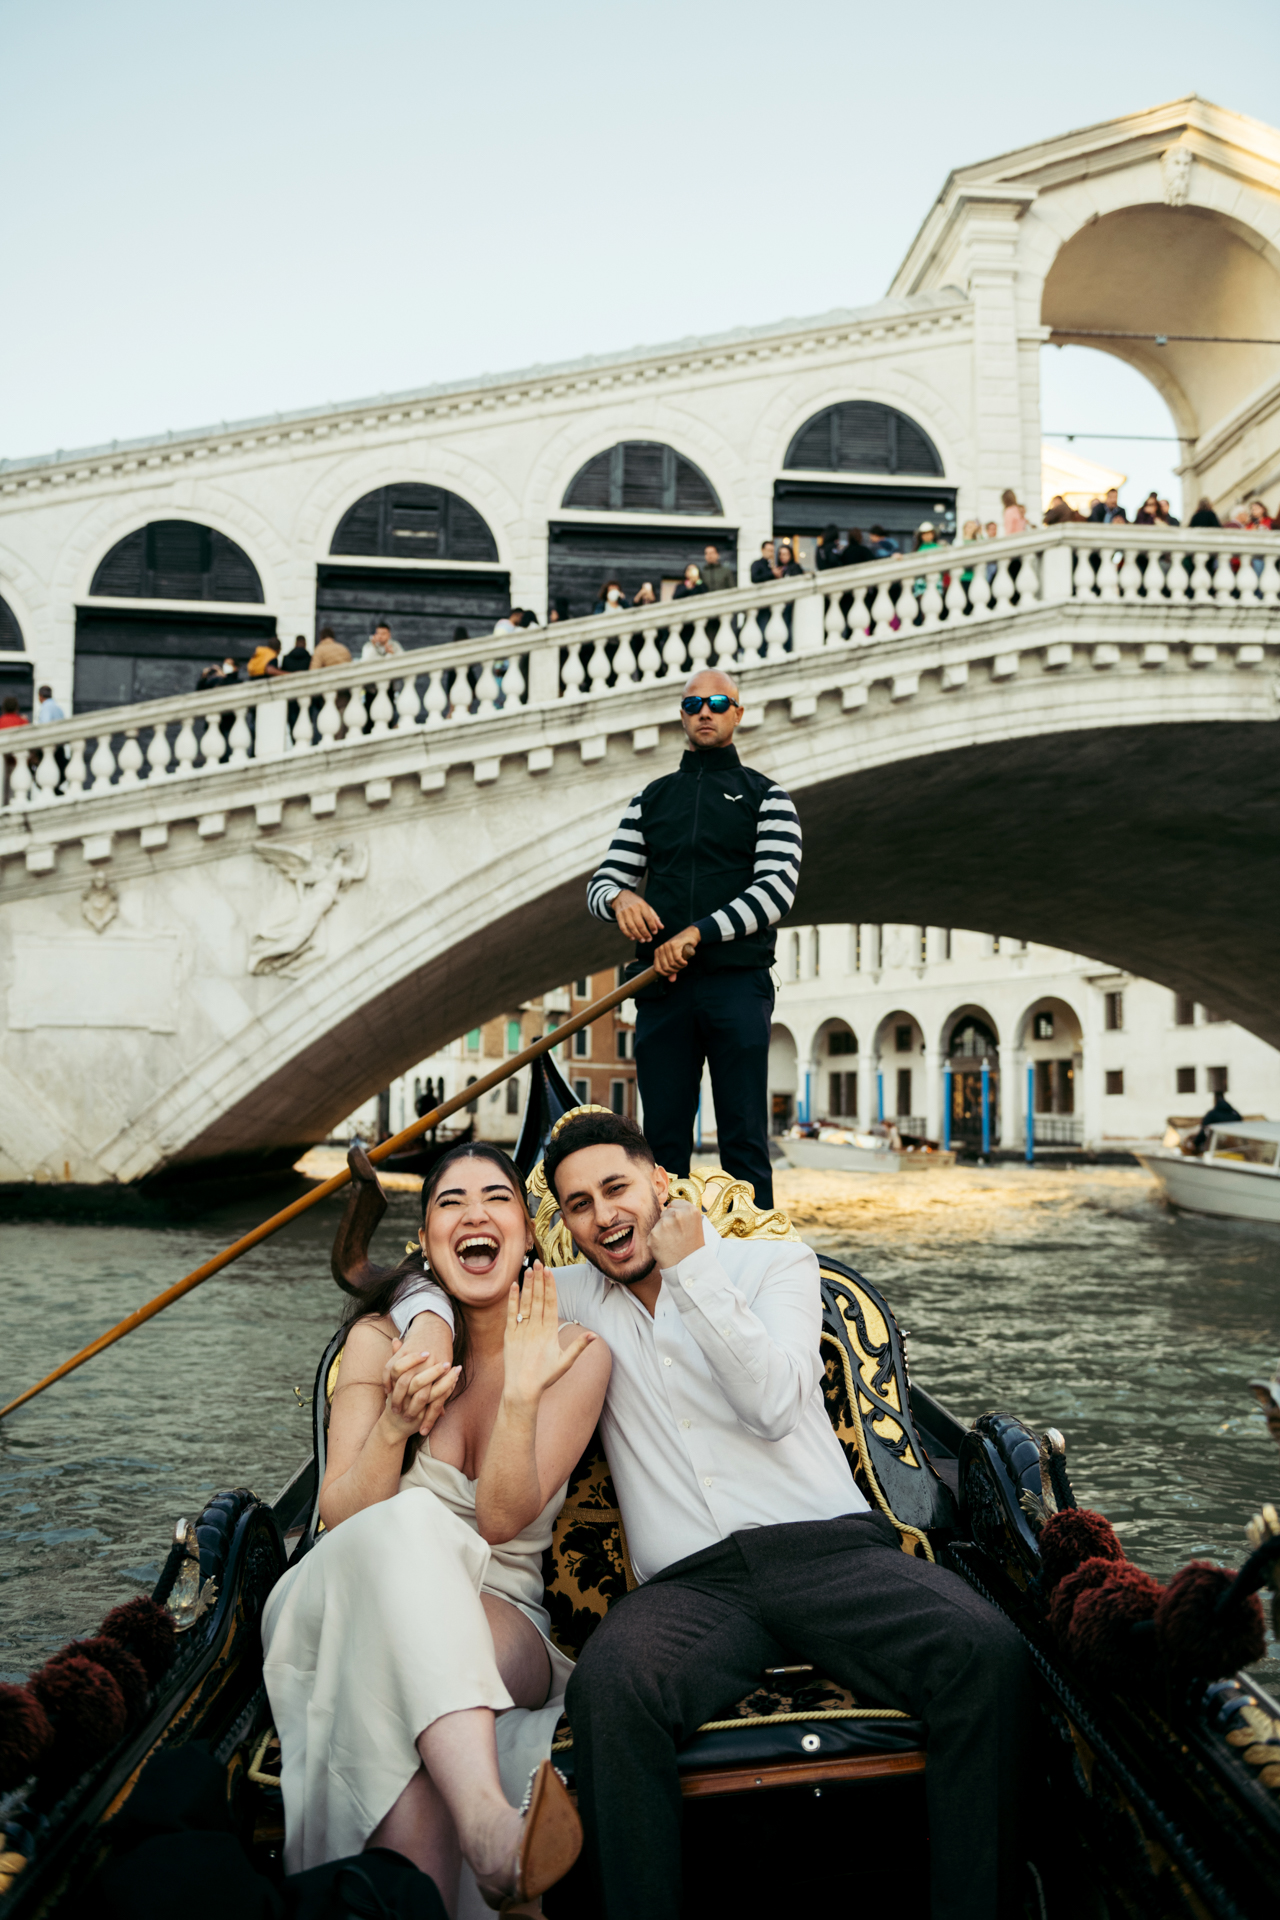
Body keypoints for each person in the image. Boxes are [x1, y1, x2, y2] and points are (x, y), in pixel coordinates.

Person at [390, 1112, 1033, 1920]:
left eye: (617, 1188)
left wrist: (692, 1274)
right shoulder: (572, 1297)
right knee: (613, 1688)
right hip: (693, 1591)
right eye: (579, 1205)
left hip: (831, 1555)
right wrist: (421, 1317)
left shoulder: (775, 1266)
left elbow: (771, 1405)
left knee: (989, 1654)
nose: (604, 1216)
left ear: (661, 1182)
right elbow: (455, 1279)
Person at [262, 1141, 610, 1913]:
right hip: (344, 1591)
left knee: (400, 1688)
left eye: (497, 1199)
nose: (475, 1214)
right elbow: (342, 1516)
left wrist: (519, 1393)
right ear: (425, 1242)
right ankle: (489, 1826)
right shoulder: (381, 1343)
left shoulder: (578, 1356)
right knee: (408, 1522)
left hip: (502, 1612)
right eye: (451, 1202)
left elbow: (500, 1519)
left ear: (526, 1234)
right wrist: (392, 1425)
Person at [586, 669, 800, 1208]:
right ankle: (659, 1264)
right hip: (663, 992)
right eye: (695, 704)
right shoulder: (650, 801)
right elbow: (602, 882)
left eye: (718, 703)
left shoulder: (768, 799)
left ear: (737, 713)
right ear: (682, 715)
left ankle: (759, 1261)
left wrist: (696, 935)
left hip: (737, 987)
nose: (705, 711)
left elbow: (776, 891)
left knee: (744, 1138)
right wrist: (621, 899)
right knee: (660, 1146)